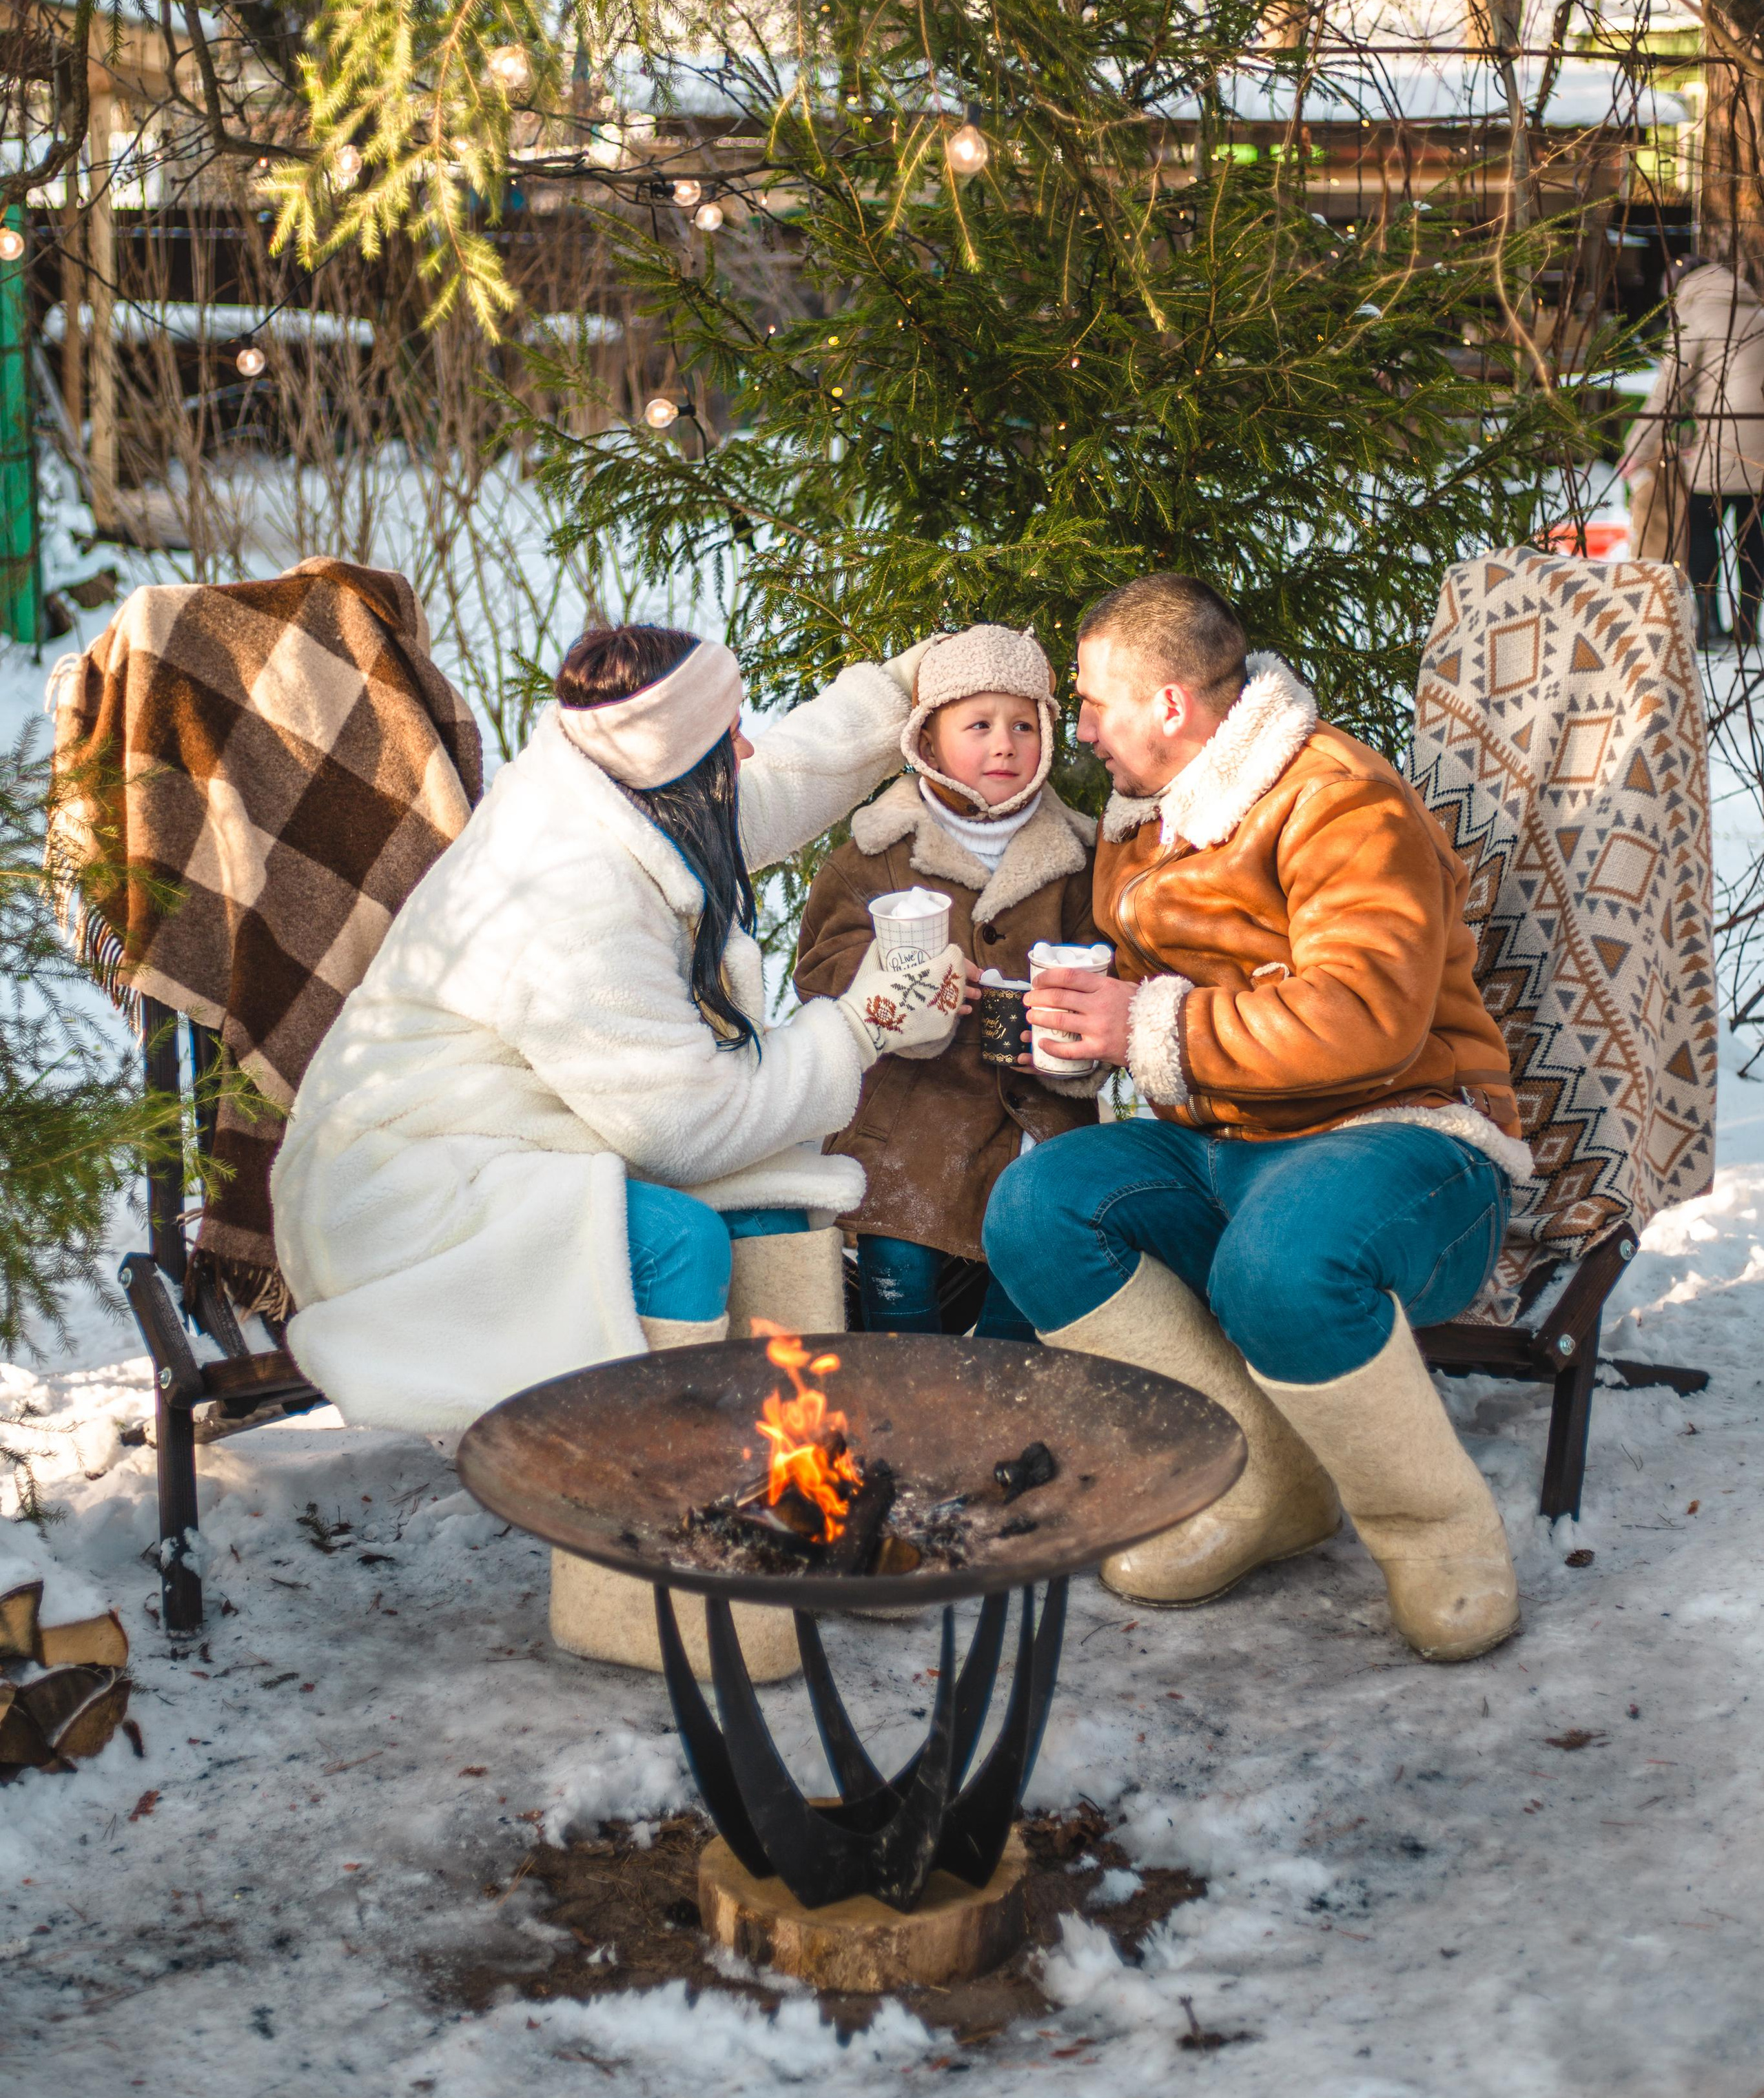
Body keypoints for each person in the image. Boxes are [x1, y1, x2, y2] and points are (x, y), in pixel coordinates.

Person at [982, 574, 1532, 1664]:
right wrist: (1089, 1035)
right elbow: (1153, 1016)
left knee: (1278, 1268)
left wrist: (1146, 1023)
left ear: (1172, 706)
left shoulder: (1338, 799)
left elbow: (1366, 1015)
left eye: (1094, 701)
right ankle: (1263, 1485)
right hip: (1230, 1139)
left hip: (1407, 1137)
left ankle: (1438, 1534)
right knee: (1037, 1207)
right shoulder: (1145, 821)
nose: (1077, 729)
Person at [271, 621, 961, 1432]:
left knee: (774, 1210)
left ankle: (781, 1469)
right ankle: (651, 1488)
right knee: (677, 1242)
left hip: (535, 1132)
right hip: (406, 1190)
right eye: (727, 739)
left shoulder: (617, 786)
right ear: (677, 762)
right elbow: (687, 1129)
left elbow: (776, 784)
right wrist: (863, 1025)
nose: (745, 753)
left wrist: (901, 686)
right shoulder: (571, 896)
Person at [793, 624, 1102, 1341]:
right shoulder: (875, 854)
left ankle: (1000, 1418)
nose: (1004, 744)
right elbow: (821, 969)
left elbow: (1107, 967)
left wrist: (1076, 1034)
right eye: (979, 725)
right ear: (927, 744)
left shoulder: (1078, 859)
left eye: (1024, 725)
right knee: (899, 1291)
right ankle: (901, 1411)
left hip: (1034, 1123)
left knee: (1024, 1306)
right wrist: (897, 986)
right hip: (907, 1122)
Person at [1620, 259, 1764, 646]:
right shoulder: (1758, 310)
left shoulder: (1694, 315)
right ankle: (1748, 623)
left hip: (1722, 447)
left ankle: (1706, 625)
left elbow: (1667, 395)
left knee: (1701, 529)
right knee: (1754, 537)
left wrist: (1636, 449)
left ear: (1679, 288)